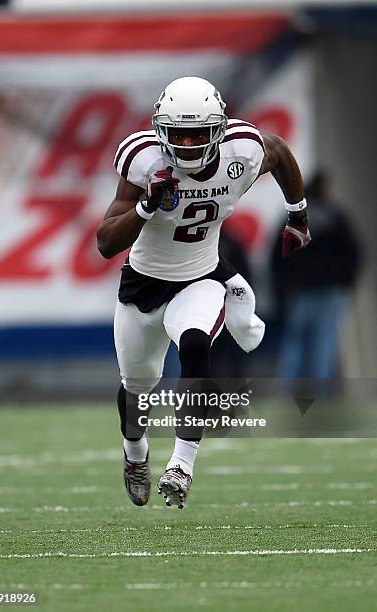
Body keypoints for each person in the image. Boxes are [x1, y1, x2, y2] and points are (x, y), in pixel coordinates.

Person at [97, 76, 310, 509]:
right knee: (136, 388)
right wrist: (145, 205)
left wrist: (298, 214)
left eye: (200, 133)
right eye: (180, 135)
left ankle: (182, 464)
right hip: (143, 284)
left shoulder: (243, 149)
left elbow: (281, 153)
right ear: (161, 132)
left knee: (196, 346)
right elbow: (105, 242)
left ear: (220, 127)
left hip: (202, 278)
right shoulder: (143, 161)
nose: (190, 145)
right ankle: (135, 454)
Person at [271, 170, 361, 381]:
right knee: (324, 345)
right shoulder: (335, 216)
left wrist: (283, 288)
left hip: (300, 291)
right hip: (330, 291)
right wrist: (344, 281)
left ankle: (285, 396)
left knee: (294, 344)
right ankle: (318, 398)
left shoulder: (291, 219)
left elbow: (276, 257)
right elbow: (355, 253)